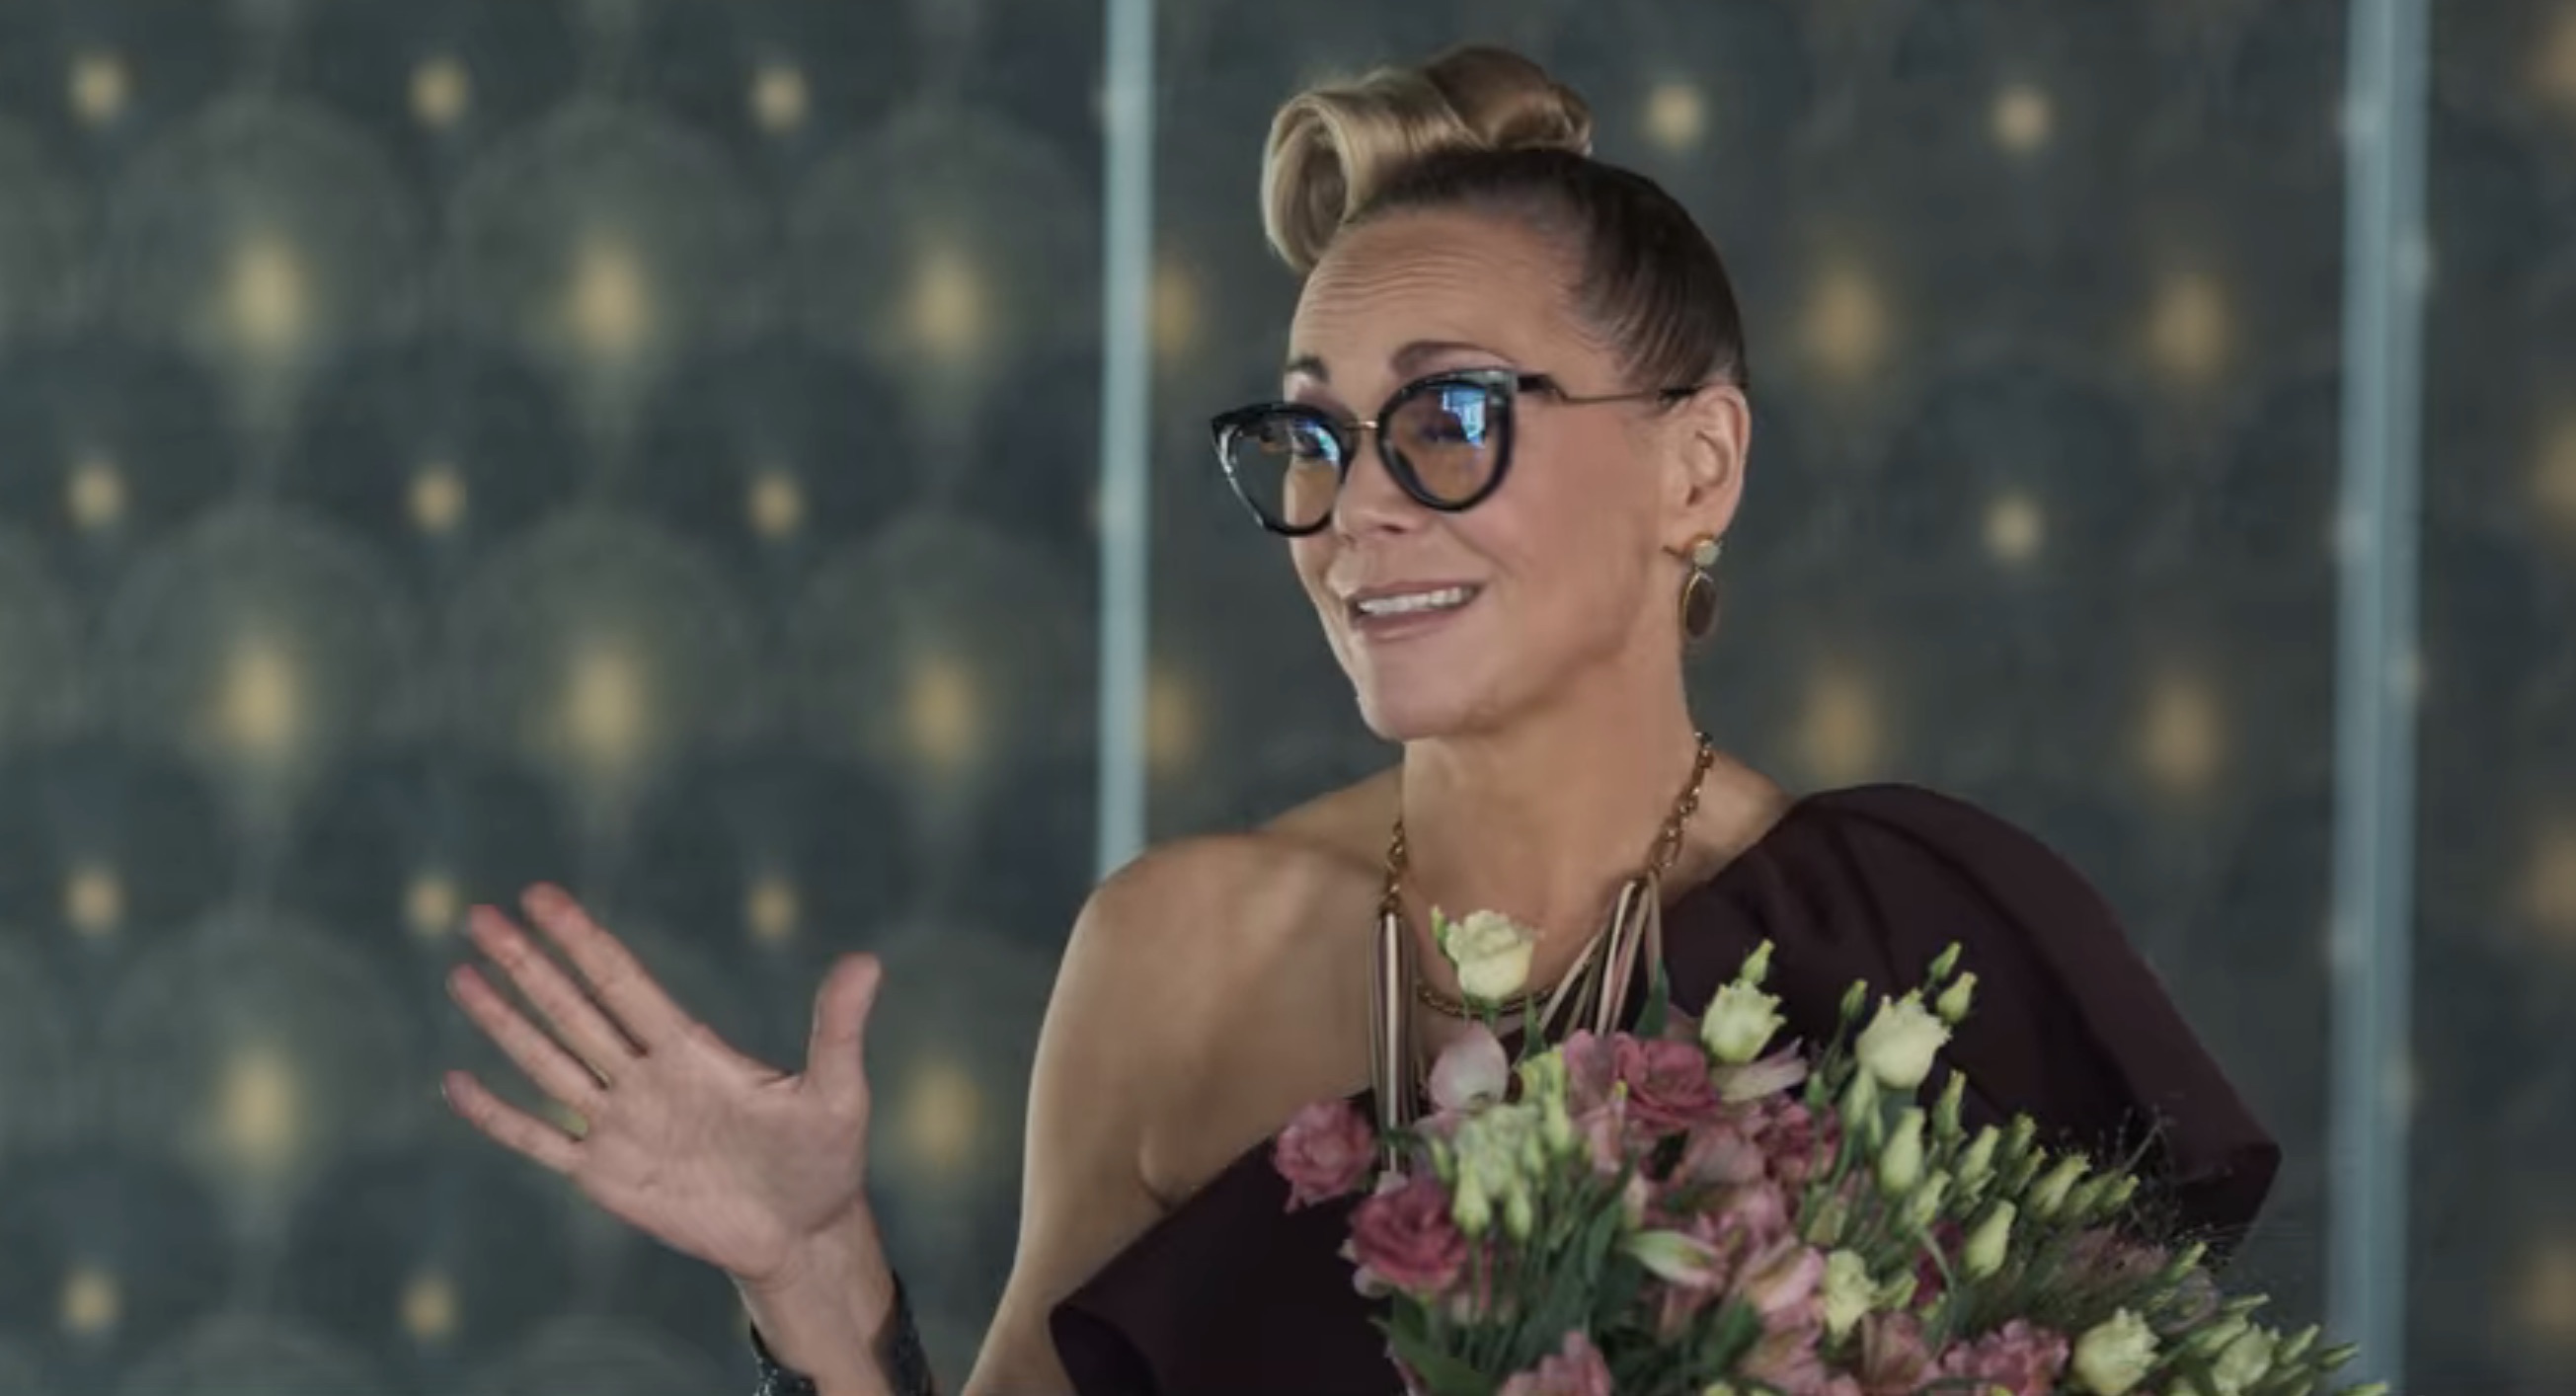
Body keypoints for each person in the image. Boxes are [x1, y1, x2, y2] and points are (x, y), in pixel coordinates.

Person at [439, 43, 2277, 1396]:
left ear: (1697, 465)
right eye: (1310, 434)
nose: (1356, 509)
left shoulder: (1918, 945)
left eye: (1450, 419)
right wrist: (815, 1275)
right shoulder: (1180, 954)